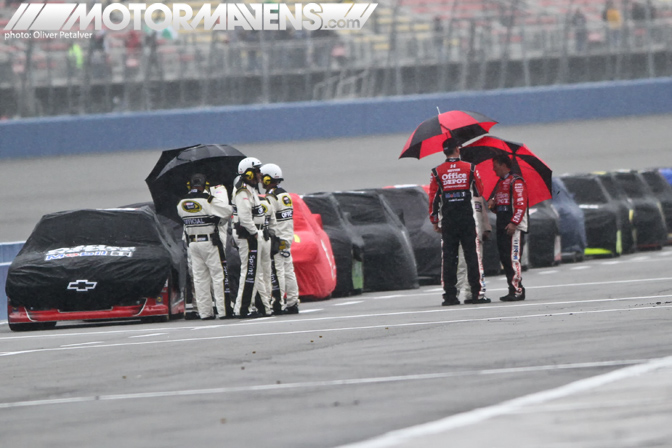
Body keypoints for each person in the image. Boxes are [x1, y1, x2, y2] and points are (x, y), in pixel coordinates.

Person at [428, 139, 487, 306]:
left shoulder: (437, 171)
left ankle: (450, 296)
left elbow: (433, 198)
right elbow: (479, 190)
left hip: (449, 220)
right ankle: (475, 294)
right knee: (471, 255)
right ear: (457, 149)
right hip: (466, 218)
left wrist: (434, 220)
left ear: (444, 151)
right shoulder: (470, 167)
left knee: (449, 258)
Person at [177, 173, 233, 319]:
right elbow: (228, 211)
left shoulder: (181, 202)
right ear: (204, 186)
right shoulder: (207, 199)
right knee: (218, 276)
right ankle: (223, 311)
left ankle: (205, 313)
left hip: (192, 244)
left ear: (190, 185)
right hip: (210, 242)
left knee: (200, 279)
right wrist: (217, 220)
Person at [232, 157, 273, 318]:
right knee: (249, 272)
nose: (260, 174)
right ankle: (241, 309)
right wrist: (255, 233)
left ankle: (264, 307)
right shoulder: (243, 191)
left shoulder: (252, 190)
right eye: (257, 171)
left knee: (257, 273)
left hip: (257, 234)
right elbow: (244, 217)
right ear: (248, 173)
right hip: (249, 236)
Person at [260, 163, 300, 314]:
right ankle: (292, 302)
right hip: (287, 237)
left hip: (277, 239)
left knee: (277, 271)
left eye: (263, 178)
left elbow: (267, 217)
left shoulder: (271, 197)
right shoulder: (285, 195)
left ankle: (278, 304)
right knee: (288, 270)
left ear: (268, 178)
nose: (260, 181)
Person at [488, 154, 528, 302]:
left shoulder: (516, 182)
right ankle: (513, 288)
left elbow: (520, 205)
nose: (493, 170)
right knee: (505, 259)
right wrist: (493, 205)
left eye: (495, 166)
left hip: (513, 227)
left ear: (504, 165)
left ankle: (517, 290)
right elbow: (500, 208)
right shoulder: (500, 183)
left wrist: (514, 223)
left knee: (513, 259)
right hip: (501, 224)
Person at [456, 195, 491, 303]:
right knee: (461, 265)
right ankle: (454, 292)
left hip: (478, 237)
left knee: (476, 266)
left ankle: (470, 293)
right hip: (463, 236)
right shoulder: (459, 196)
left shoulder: (478, 198)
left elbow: (483, 214)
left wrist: (486, 228)